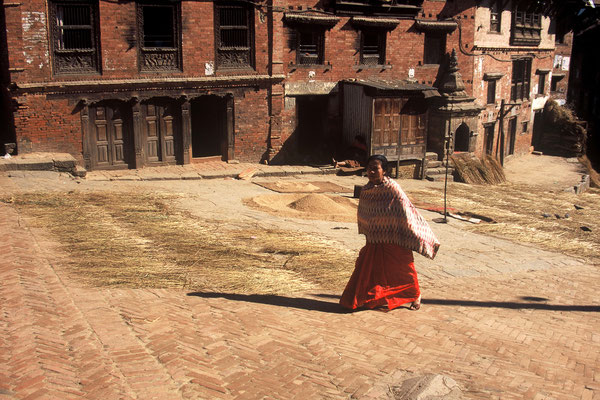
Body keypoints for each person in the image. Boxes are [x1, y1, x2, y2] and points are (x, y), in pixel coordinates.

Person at [340, 155, 440, 311]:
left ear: (384, 170)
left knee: (403, 270)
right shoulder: (366, 191)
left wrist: (411, 232)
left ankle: (415, 294)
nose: (371, 171)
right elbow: (364, 214)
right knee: (374, 271)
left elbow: (407, 211)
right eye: (369, 168)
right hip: (375, 240)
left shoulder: (392, 188)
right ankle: (373, 297)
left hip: (395, 239)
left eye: (376, 168)